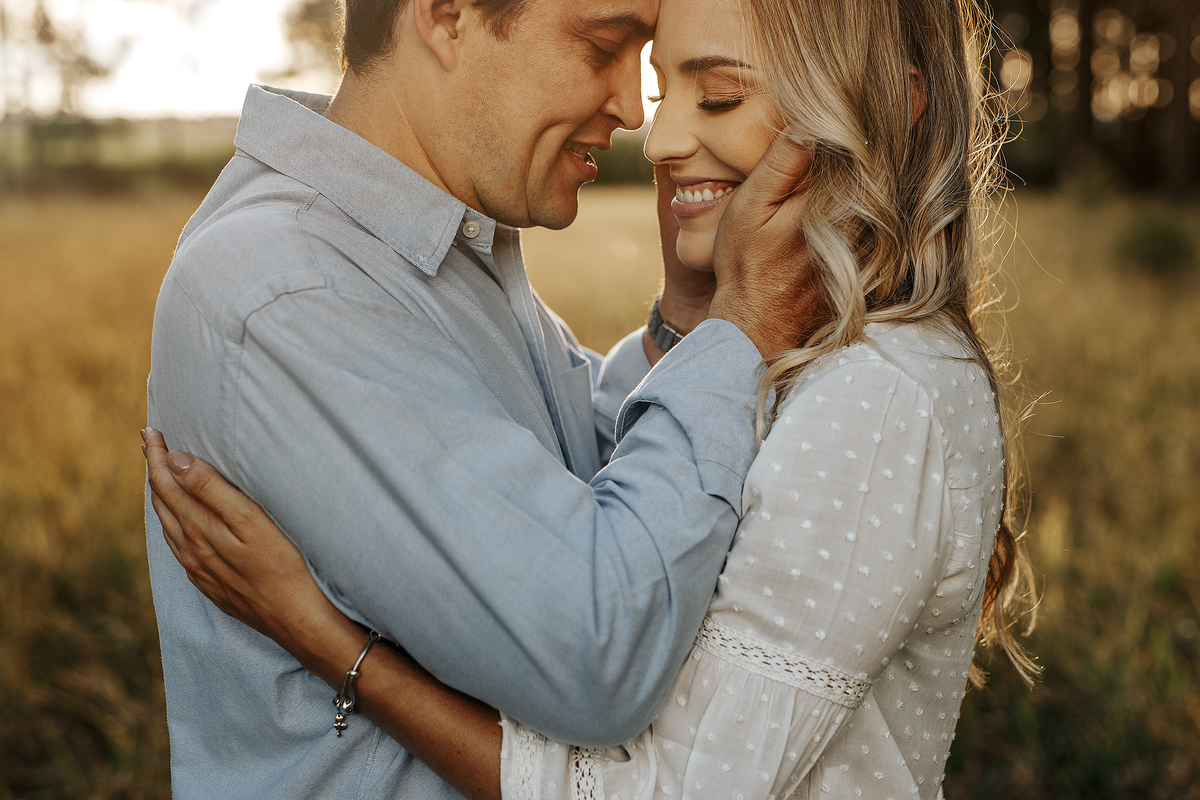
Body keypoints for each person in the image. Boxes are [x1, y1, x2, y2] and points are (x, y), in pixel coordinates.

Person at [146, 0, 1040, 797]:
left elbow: (589, 488)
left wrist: (693, 323)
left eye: (710, 92)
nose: (635, 120)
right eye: (605, 45)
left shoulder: (426, 249)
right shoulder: (293, 287)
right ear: (448, 15)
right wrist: (732, 332)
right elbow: (599, 648)